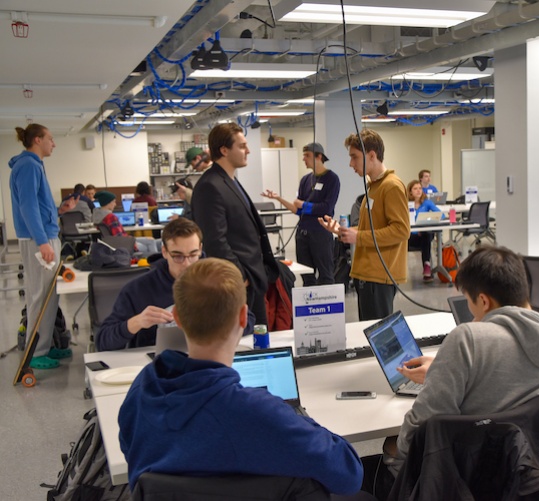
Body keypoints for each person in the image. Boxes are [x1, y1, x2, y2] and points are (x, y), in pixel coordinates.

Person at [118, 258, 363, 495]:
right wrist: (296, 420)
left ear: (178, 319)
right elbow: (349, 475)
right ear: (244, 317)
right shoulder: (258, 411)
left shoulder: (143, 389)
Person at [384, 246, 539, 477]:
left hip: (455, 477)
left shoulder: (467, 339)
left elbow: (423, 426)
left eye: (470, 303)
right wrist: (444, 368)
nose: (472, 315)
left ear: (483, 300)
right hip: (520, 472)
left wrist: (398, 450)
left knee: (384, 453)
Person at [192, 123, 279, 326]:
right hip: (238, 282)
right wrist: (240, 277)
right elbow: (215, 241)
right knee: (243, 342)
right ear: (224, 150)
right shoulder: (209, 186)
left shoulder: (229, 181)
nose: (248, 151)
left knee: (258, 339)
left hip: (252, 278)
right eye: (242, 146)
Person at [319, 129, 410, 321]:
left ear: (372, 155)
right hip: (367, 274)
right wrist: (342, 231)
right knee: (368, 333)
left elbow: (401, 231)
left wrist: (358, 236)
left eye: (354, 157)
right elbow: (372, 229)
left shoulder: (391, 186)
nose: (351, 163)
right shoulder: (373, 186)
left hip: (379, 276)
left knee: (378, 337)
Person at [9, 123, 76, 370]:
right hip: (40, 241)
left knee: (49, 296)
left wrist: (59, 211)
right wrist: (42, 242)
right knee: (40, 296)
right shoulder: (27, 165)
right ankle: (35, 352)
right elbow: (27, 206)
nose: (54, 143)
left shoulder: (34, 165)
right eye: (50, 138)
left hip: (45, 237)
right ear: (37, 140)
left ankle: (45, 345)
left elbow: (37, 206)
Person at [96, 218, 203, 351]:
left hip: (207, 358)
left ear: (200, 249)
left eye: (193, 255)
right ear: (164, 252)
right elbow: (103, 342)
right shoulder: (138, 289)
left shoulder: (214, 281)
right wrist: (136, 322)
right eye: (178, 256)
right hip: (156, 364)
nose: (187, 264)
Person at [262, 142, 340, 286]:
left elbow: (326, 208)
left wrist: (304, 205)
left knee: (326, 275)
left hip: (320, 234)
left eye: (307, 156)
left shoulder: (332, 179)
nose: (304, 159)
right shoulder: (305, 180)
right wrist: (278, 198)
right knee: (307, 276)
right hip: (303, 235)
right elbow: (298, 210)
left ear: (319, 156)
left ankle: (327, 306)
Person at [92, 190, 160, 255]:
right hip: (124, 245)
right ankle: (153, 263)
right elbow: (120, 237)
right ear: (108, 203)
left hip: (114, 244)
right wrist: (133, 242)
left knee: (152, 240)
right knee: (151, 243)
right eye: (114, 202)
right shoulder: (110, 217)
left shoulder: (97, 216)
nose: (115, 204)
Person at [406, 179, 442, 281]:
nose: (418, 190)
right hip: (409, 236)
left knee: (426, 235)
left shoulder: (427, 203)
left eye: (420, 188)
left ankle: (427, 265)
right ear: (410, 191)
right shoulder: (405, 203)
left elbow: (440, 215)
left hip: (424, 236)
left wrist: (429, 219)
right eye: (415, 188)